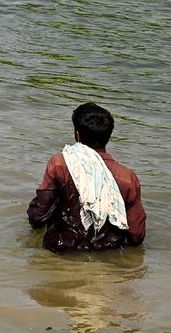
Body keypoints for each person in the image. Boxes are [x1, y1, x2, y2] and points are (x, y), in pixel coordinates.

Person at [26, 102, 147, 254]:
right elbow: (137, 236)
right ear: (108, 136)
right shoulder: (127, 177)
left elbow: (38, 216)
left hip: (62, 252)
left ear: (78, 135)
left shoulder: (60, 164)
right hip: (106, 257)